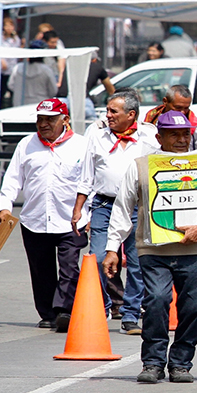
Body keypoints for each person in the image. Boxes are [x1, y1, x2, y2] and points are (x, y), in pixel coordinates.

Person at [103, 110, 197, 384]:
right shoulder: (141, 166)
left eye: (185, 134)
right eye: (173, 134)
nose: (180, 139)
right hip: (154, 250)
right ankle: (152, 362)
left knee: (194, 308)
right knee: (155, 302)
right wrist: (112, 248)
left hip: (196, 250)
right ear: (159, 136)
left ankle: (181, 363)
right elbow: (122, 207)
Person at [0, 99, 90, 331]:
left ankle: (64, 311)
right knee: (40, 269)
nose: (44, 124)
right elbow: (12, 179)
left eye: (50, 119)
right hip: (35, 219)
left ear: (64, 120)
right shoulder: (26, 145)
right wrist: (5, 206)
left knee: (70, 267)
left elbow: (90, 182)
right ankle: (47, 312)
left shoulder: (82, 145)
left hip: (71, 220)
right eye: (40, 119)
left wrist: (87, 213)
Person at [72, 89, 159, 333]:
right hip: (104, 205)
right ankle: (106, 305)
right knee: (99, 258)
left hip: (138, 207)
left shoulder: (149, 138)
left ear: (131, 115)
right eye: (107, 110)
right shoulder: (97, 136)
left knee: (136, 263)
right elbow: (86, 176)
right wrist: (79, 209)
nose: (108, 115)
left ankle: (131, 314)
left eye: (113, 111)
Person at [144, 85, 197, 150]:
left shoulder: (196, 125)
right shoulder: (149, 119)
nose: (183, 112)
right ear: (165, 101)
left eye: (186, 108)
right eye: (178, 107)